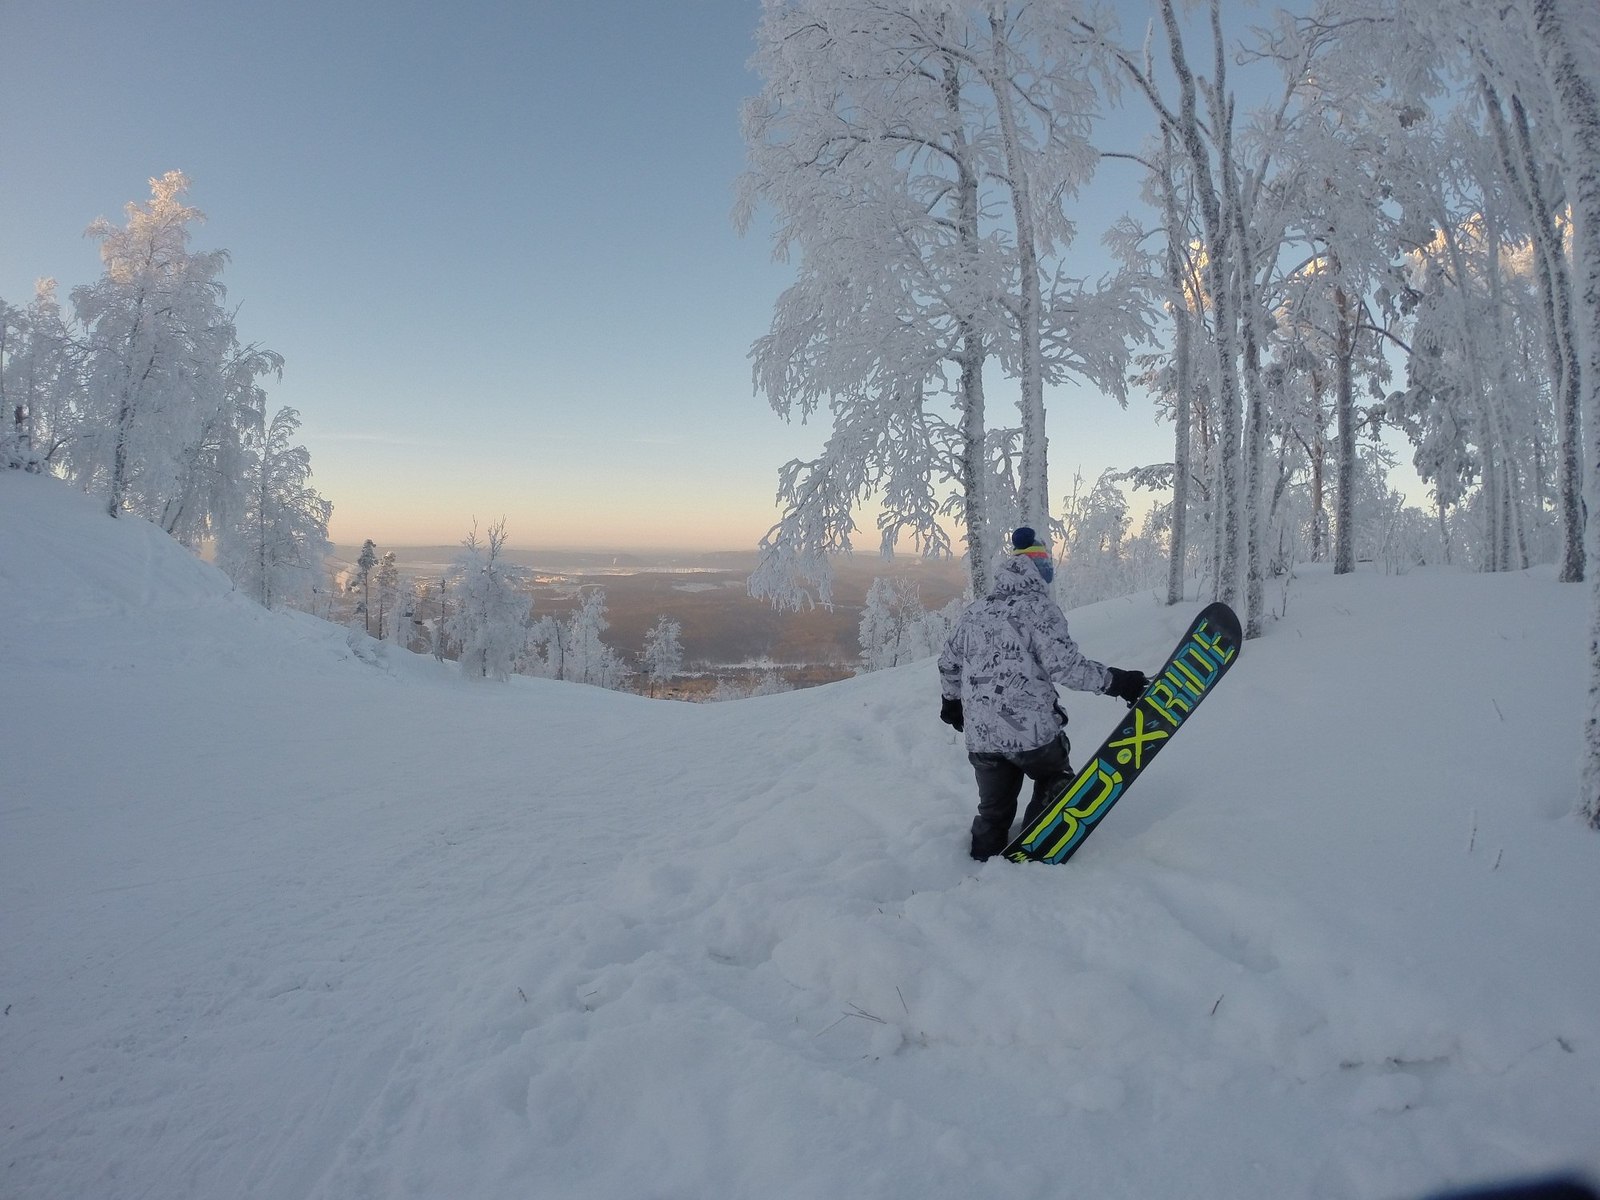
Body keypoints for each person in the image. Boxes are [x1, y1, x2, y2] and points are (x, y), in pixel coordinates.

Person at [938, 527, 1149, 861]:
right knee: (1054, 779)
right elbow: (1066, 667)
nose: (1048, 569)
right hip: (1030, 731)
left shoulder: (975, 611)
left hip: (981, 737)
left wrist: (951, 702)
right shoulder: (1039, 609)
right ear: (1036, 570)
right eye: (1044, 563)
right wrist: (1120, 683)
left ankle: (979, 869)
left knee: (993, 812)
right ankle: (1037, 849)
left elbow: (948, 663)